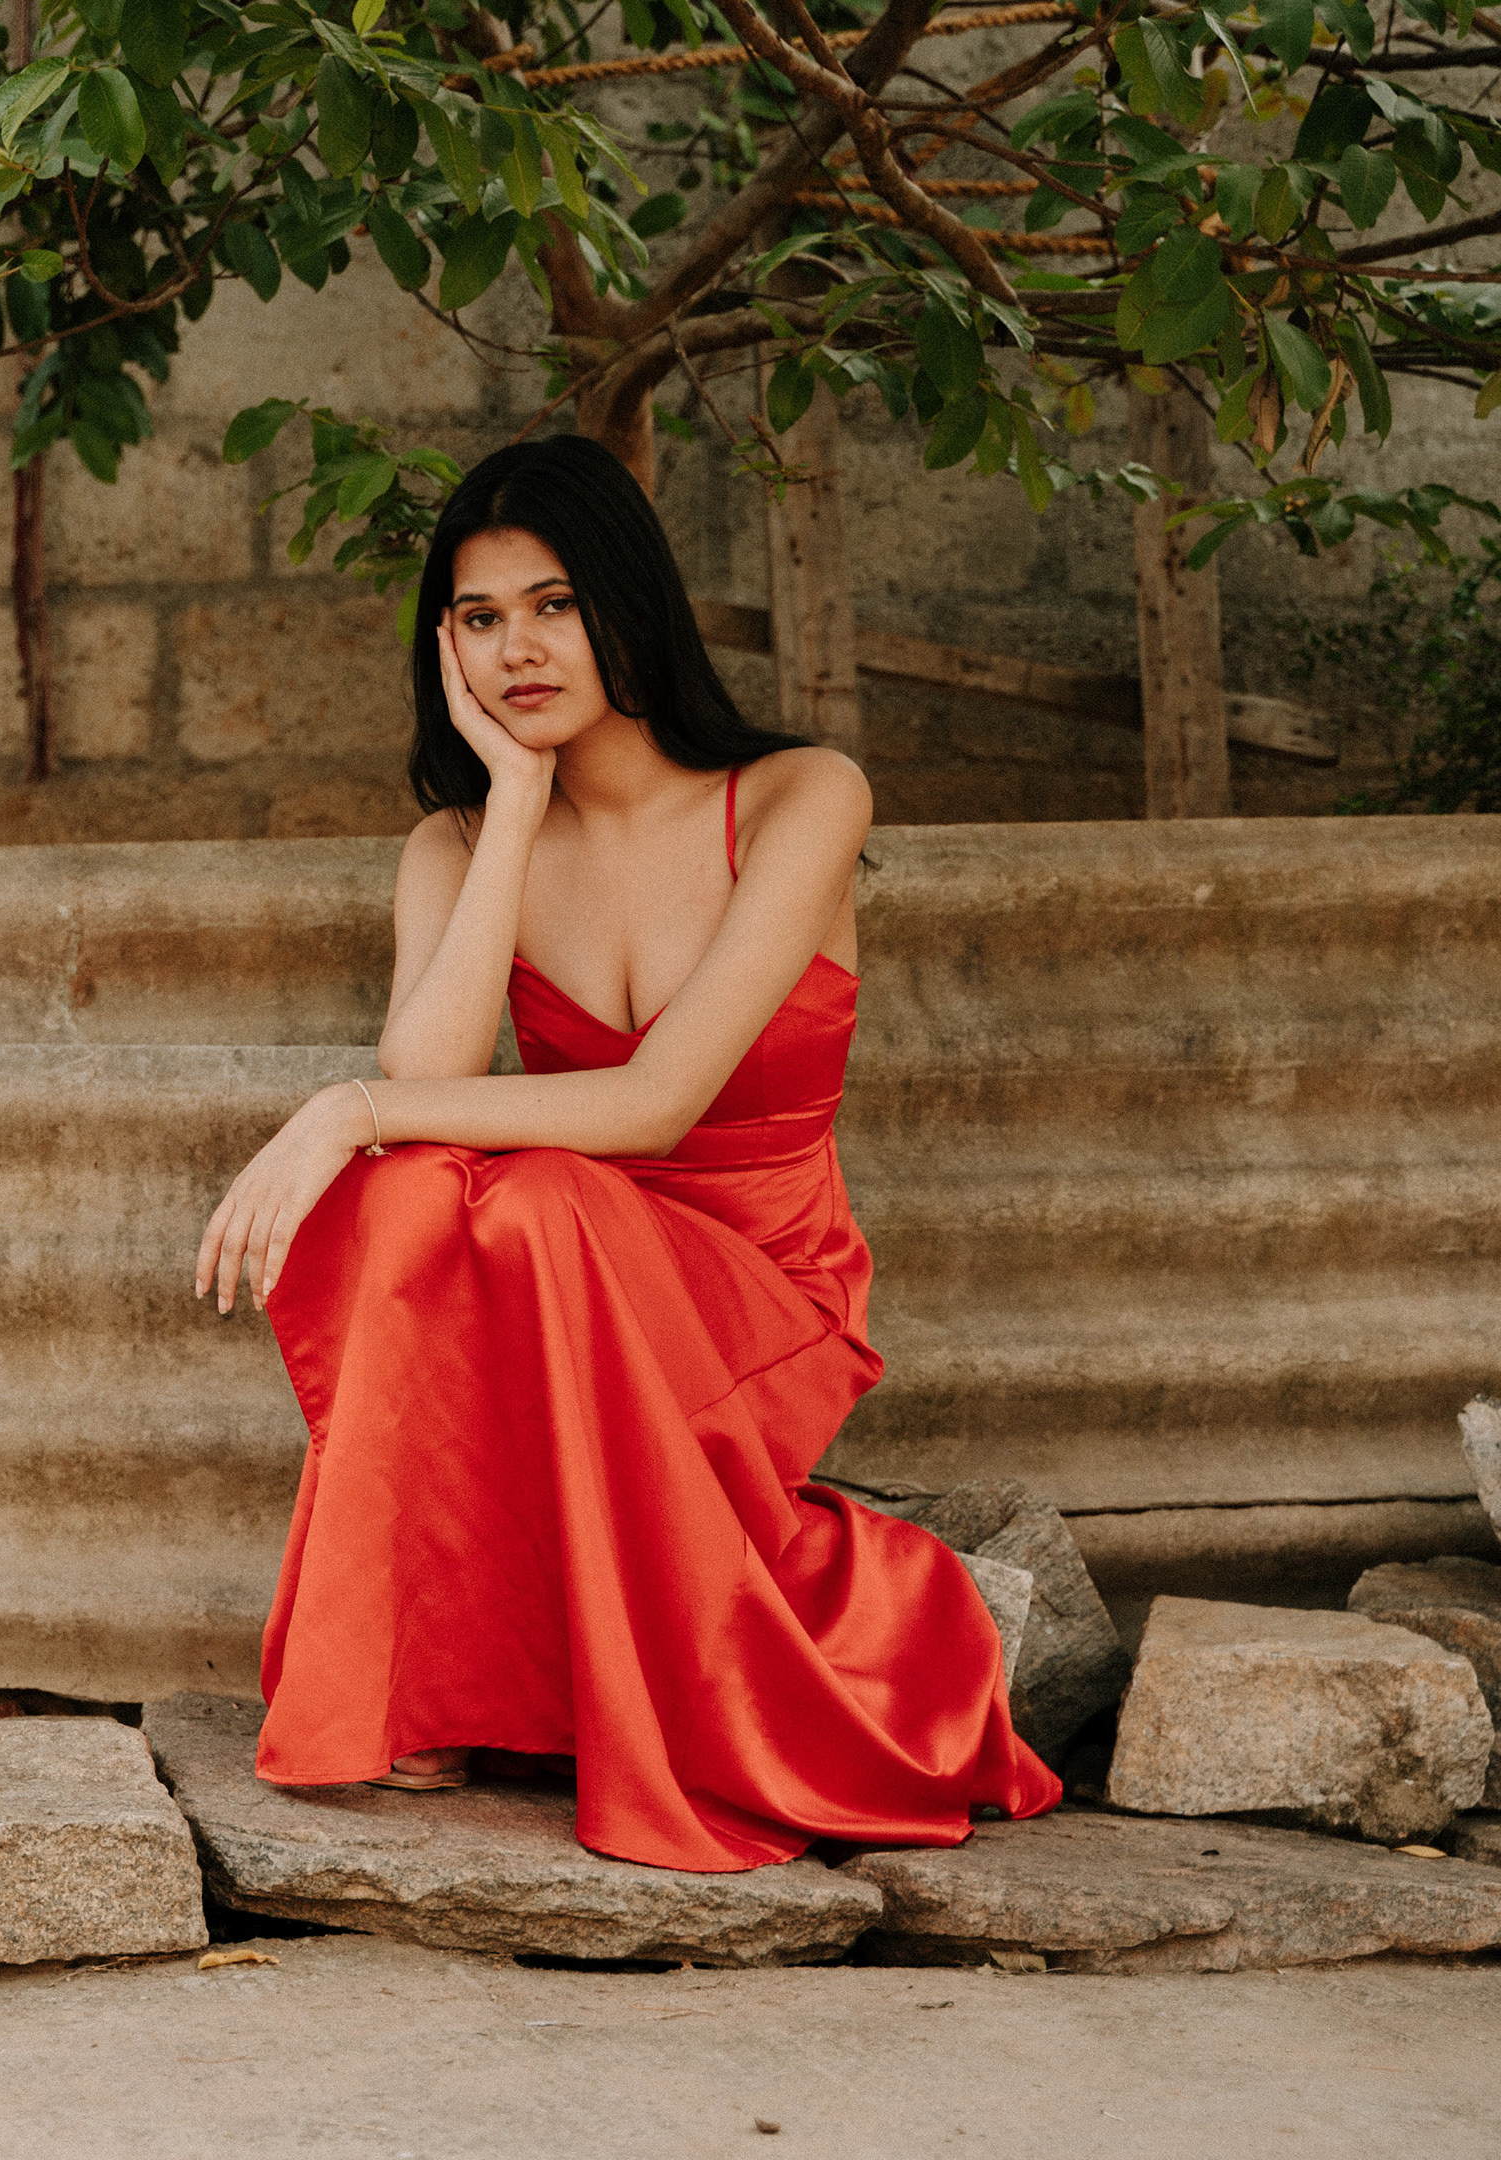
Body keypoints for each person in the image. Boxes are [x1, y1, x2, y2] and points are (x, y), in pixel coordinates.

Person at [192, 436, 1058, 1872]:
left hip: (761, 1291)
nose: (520, 649)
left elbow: (654, 1107)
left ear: (626, 603)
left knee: (489, 1183)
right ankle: (426, 1688)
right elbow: (434, 1077)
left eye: (555, 604)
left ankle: (518, 1675)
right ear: (444, 645)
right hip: (566, 1273)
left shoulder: (800, 796)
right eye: (479, 619)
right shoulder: (458, 841)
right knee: (431, 1194)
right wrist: (516, 813)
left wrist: (342, 1108)